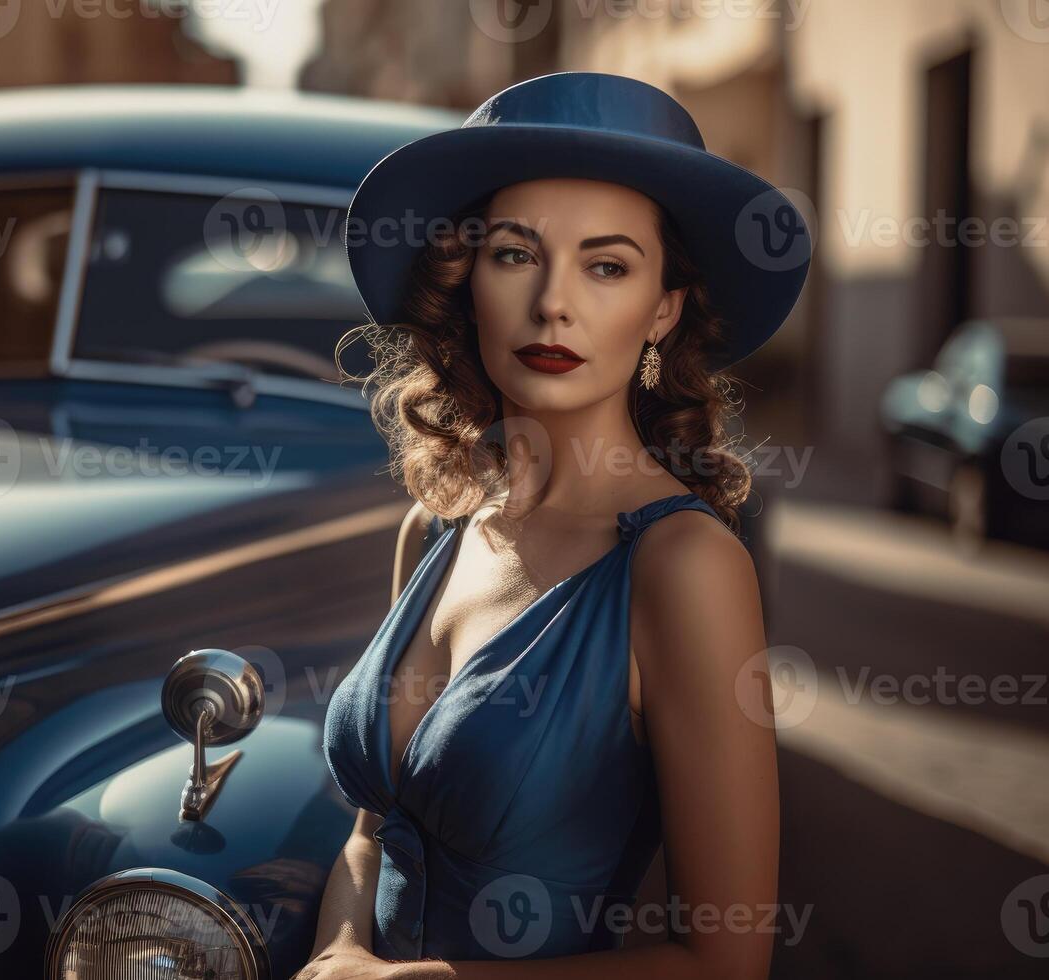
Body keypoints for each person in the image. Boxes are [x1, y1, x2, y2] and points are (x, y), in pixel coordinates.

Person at [300, 71, 812, 979]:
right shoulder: (436, 529)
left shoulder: (684, 564)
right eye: (513, 254)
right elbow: (368, 834)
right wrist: (339, 951)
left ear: (664, 309)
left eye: (606, 265)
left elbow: (726, 961)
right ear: (465, 282)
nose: (552, 304)